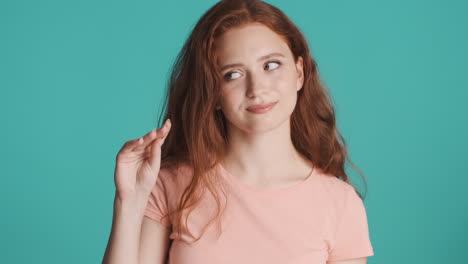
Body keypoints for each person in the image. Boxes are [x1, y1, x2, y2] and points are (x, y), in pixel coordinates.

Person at [102, 0, 374, 263]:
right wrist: (129, 203)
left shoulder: (340, 204)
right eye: (232, 74)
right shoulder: (170, 184)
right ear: (214, 94)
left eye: (271, 65)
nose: (257, 89)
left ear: (299, 72)